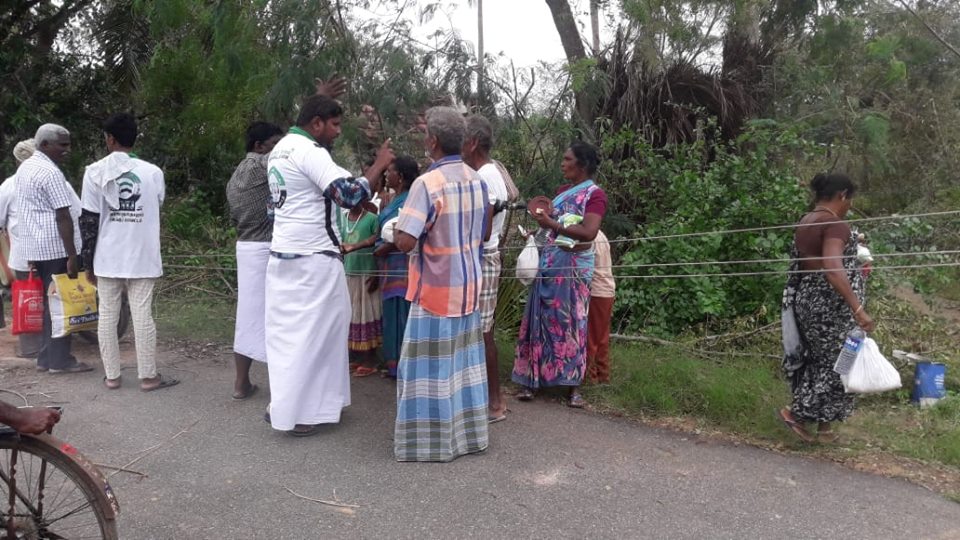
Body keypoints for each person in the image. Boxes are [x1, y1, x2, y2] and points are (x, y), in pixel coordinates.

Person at [264, 94, 393, 437]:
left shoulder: (279, 150)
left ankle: (290, 406)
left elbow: (274, 208)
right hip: (313, 260)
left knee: (289, 337)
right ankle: (302, 413)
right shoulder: (310, 151)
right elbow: (349, 196)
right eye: (334, 125)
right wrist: (378, 165)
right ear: (316, 123)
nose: (338, 131)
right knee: (316, 337)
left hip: (283, 256)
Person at [392, 106, 491, 462]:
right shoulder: (476, 180)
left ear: (432, 141)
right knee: (461, 371)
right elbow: (485, 233)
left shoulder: (427, 184)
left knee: (428, 373)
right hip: (467, 289)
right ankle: (468, 439)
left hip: (434, 292)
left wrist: (395, 227)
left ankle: (428, 445)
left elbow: (405, 241)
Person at [80, 113, 174, 391]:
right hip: (143, 255)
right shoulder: (153, 172)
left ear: (110, 139)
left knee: (107, 315)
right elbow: (156, 204)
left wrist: (87, 262)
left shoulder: (94, 172)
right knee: (142, 314)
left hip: (107, 256)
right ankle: (148, 377)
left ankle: (112, 377)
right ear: (134, 138)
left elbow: (88, 221)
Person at [779, 173, 875, 443]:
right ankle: (796, 414)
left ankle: (825, 429)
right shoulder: (835, 224)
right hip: (828, 302)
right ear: (842, 195)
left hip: (807, 297)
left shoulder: (807, 220)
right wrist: (858, 309)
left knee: (823, 360)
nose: (850, 206)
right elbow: (833, 268)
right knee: (844, 360)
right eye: (850, 200)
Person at [512, 142, 607, 408]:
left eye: (567, 159)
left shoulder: (595, 195)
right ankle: (531, 380)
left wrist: (552, 224)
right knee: (539, 318)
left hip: (574, 267)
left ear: (582, 165)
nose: (563, 164)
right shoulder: (562, 193)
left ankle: (572, 385)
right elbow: (554, 229)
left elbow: (589, 232)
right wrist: (539, 232)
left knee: (573, 321)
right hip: (550, 262)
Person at [15, 124, 90, 374]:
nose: (67, 150)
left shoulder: (25, 168)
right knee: (62, 304)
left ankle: (46, 359)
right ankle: (60, 361)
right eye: (62, 145)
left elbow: (26, 211)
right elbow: (63, 216)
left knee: (51, 306)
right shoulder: (51, 173)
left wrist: (30, 253)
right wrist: (72, 255)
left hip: (37, 248)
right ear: (45, 145)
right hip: (57, 249)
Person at [462, 114, 516, 423]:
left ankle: (495, 402)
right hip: (483, 257)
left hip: (483, 258)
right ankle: (484, 399)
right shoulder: (491, 170)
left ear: (471, 143)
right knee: (480, 331)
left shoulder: (484, 176)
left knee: (482, 332)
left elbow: (482, 230)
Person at [226, 121, 284, 400]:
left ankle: (241, 383)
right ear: (260, 146)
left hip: (245, 246)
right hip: (267, 247)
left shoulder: (236, 174)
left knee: (247, 316)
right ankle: (283, 387)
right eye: (275, 144)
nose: (280, 150)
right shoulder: (265, 165)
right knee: (278, 316)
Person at [373, 156, 419, 378]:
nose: (386, 174)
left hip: (402, 265)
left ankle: (406, 367)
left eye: (389, 171)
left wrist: (388, 247)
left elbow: (409, 230)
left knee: (404, 314)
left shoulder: (411, 200)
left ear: (399, 176)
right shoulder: (391, 200)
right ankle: (393, 365)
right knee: (391, 315)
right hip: (387, 267)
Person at [0, 139, 43, 357]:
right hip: (52, 253)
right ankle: (51, 347)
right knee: (47, 297)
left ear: (17, 161)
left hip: (23, 255)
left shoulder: (9, 186)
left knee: (28, 298)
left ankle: (32, 348)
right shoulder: (54, 179)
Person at [339, 201, 382, 376]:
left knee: (367, 314)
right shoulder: (342, 218)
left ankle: (370, 360)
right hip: (348, 273)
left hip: (367, 273)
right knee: (353, 315)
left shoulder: (372, 219)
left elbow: (378, 242)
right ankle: (357, 357)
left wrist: (377, 273)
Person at [586, 229, 616, 384]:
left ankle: (589, 377)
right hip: (607, 290)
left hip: (597, 290)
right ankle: (603, 376)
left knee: (590, 338)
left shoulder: (588, 236)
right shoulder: (600, 234)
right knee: (601, 337)